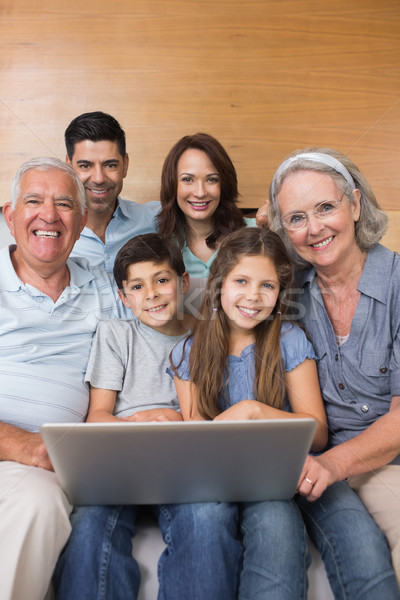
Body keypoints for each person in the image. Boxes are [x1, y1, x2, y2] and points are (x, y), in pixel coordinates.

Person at [54, 233, 242, 600]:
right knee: (90, 526)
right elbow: (98, 417)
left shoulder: (208, 336)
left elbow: (212, 415)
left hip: (187, 460)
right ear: (124, 297)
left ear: (183, 282)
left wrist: (178, 420)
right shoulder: (115, 334)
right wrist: (139, 423)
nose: (152, 294)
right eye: (137, 287)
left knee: (209, 519)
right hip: (122, 456)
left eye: (161, 280)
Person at [169, 227, 328, 599]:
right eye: (241, 281)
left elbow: (317, 432)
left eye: (267, 286)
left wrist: (254, 410)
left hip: (273, 482)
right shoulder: (187, 352)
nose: (253, 297)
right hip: (213, 480)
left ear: (280, 293)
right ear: (219, 284)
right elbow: (195, 436)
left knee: (278, 529)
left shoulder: (289, 339)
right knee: (205, 520)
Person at [268, 148, 400, 594]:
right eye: (297, 218)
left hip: (386, 464)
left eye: (326, 207)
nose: (315, 229)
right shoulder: (285, 295)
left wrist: (333, 464)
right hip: (314, 468)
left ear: (356, 204)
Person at [0, 157, 127, 600]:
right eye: (34, 201)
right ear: (10, 215)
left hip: (61, 464)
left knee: (42, 495)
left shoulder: (107, 289)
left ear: (81, 219)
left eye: (64, 204)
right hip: (19, 455)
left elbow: (145, 354)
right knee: (38, 497)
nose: (49, 216)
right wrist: (21, 444)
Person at [66, 111, 159, 271]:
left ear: (125, 165)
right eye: (85, 166)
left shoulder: (156, 221)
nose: (99, 178)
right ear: (69, 166)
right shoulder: (53, 232)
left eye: (110, 165)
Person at [156, 132, 256, 280]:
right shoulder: (161, 246)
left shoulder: (257, 232)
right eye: (188, 179)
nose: (200, 192)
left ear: (224, 184)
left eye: (212, 179)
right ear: (172, 185)